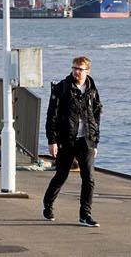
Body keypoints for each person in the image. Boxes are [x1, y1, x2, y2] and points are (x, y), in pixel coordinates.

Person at [43, 54, 102, 227]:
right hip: (66, 139)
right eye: (74, 68)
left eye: (80, 69)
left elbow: (96, 116)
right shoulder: (62, 88)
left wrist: (95, 141)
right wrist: (52, 140)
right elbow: (51, 116)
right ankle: (48, 203)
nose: (76, 72)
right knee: (61, 175)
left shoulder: (92, 89)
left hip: (86, 141)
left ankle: (85, 215)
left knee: (89, 178)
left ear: (87, 71)